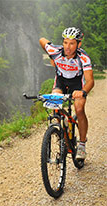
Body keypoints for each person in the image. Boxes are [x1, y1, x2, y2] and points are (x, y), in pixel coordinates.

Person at [39, 27, 94, 160]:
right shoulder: (55, 51)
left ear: (78, 44)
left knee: (79, 109)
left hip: (77, 85)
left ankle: (81, 145)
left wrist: (83, 91)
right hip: (61, 83)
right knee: (55, 106)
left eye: (72, 43)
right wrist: (52, 59)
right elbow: (42, 40)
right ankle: (61, 135)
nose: (67, 47)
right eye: (65, 42)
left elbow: (90, 81)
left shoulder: (83, 58)